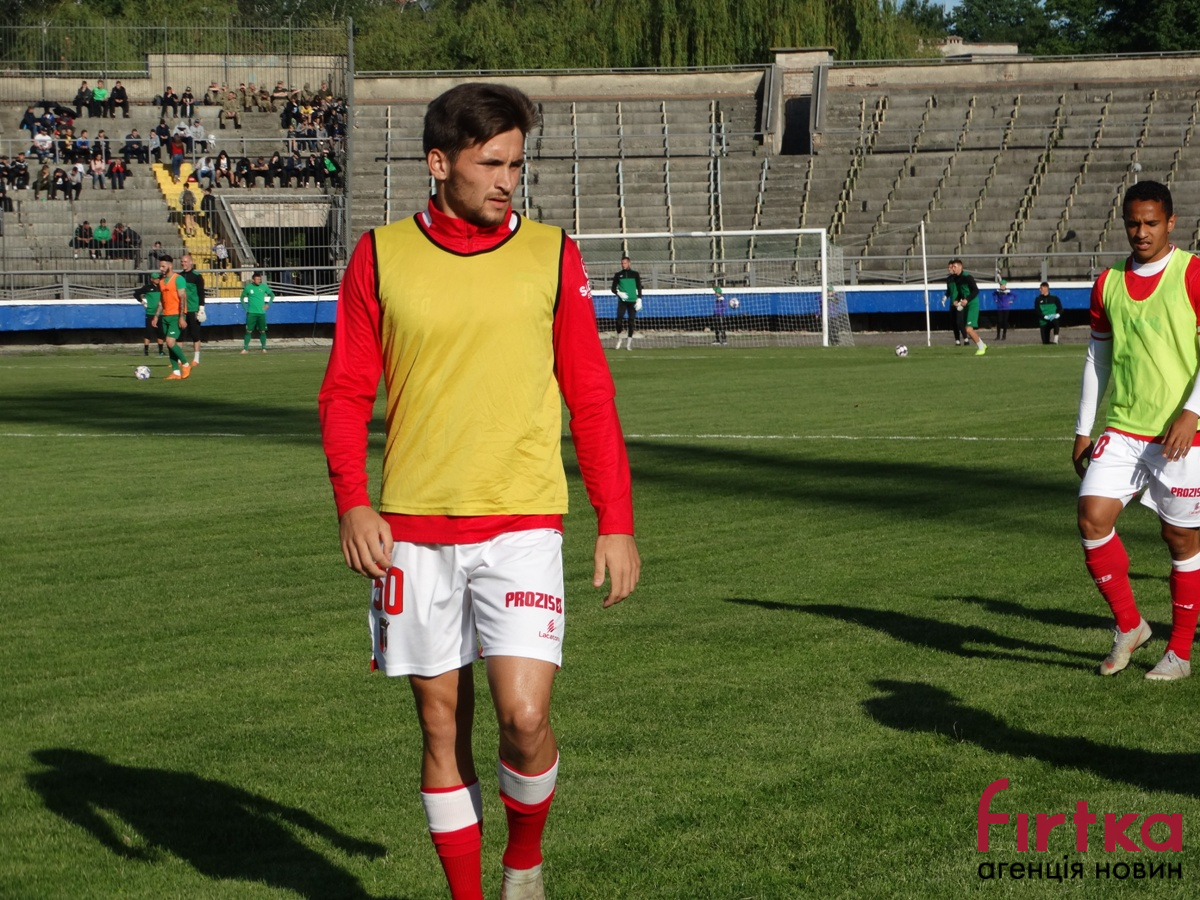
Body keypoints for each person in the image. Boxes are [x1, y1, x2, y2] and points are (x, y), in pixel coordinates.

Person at [317, 82, 640, 900]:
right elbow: (346, 390)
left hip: (522, 524)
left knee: (525, 719)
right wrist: (352, 499)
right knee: (440, 728)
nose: (507, 181)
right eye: (491, 163)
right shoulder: (379, 255)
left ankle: (524, 862)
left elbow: (590, 393)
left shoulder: (552, 254)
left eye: (516, 165)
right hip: (412, 532)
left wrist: (615, 520)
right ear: (439, 163)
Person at [1074, 180, 1200, 682]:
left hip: (1183, 434)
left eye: (1151, 223)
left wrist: (1191, 412)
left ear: (1171, 222)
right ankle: (1130, 625)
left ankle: (1180, 652)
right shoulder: (1107, 283)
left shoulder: (1193, 273)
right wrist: (1083, 428)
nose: (1141, 232)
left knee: (1180, 539)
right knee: (1092, 518)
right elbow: (1097, 357)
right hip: (1124, 427)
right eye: (1133, 223)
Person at [149, 255, 192, 380]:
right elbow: (162, 301)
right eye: (160, 266)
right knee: (169, 344)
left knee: (170, 341)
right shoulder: (162, 281)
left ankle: (186, 364)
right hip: (166, 315)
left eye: (163, 266)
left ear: (170, 265)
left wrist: (182, 317)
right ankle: (176, 372)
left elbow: (182, 298)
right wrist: (156, 316)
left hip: (176, 315)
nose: (161, 269)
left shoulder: (178, 279)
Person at [945, 258, 987, 356]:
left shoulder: (968, 277)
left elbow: (976, 291)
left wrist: (967, 299)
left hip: (972, 304)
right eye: (952, 267)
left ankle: (981, 348)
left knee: (968, 329)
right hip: (965, 304)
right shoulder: (956, 278)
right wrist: (957, 300)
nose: (953, 269)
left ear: (960, 267)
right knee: (966, 328)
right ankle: (982, 344)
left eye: (954, 267)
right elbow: (960, 292)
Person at [179, 253, 206, 365]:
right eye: (182, 262)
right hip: (182, 310)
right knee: (179, 335)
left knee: (195, 334)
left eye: (185, 261)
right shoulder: (179, 276)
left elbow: (201, 293)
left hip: (193, 308)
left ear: (191, 262)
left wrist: (201, 308)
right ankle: (179, 359)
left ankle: (196, 359)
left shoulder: (197, 276)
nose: (183, 264)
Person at [611, 255, 642, 350]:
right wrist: (619, 293)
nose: (623, 265)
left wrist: (639, 299)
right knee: (619, 319)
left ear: (629, 263)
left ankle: (628, 344)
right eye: (622, 263)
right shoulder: (618, 275)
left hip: (633, 301)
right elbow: (613, 288)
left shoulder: (635, 274)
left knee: (631, 321)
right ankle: (619, 339)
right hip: (622, 301)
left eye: (625, 263)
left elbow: (639, 287)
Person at [239, 271, 274, 353]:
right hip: (251, 313)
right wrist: (245, 308)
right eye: (257, 279)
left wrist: (268, 304)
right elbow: (242, 298)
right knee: (248, 330)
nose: (259, 281)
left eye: (259, 279)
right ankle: (245, 349)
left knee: (262, 331)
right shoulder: (248, 288)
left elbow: (272, 295)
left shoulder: (264, 287)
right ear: (253, 280)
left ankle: (264, 348)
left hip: (261, 313)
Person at [134, 275, 165, 357]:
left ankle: (161, 350)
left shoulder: (162, 287)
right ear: (151, 279)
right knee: (148, 332)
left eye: (158, 278)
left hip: (161, 313)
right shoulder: (147, 288)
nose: (157, 280)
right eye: (156, 278)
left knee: (160, 332)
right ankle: (146, 351)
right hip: (150, 312)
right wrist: (142, 302)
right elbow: (136, 293)